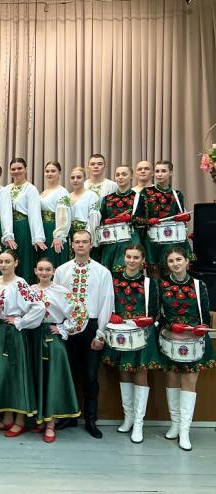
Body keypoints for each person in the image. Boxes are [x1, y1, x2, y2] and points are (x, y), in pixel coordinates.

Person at [54, 230, 114, 438]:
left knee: (90, 375)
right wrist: (60, 326)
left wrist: (100, 333)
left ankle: (90, 420)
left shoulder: (102, 272)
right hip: (68, 326)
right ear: (72, 245)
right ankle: (68, 416)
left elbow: (107, 303)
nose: (81, 245)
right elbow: (56, 300)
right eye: (77, 242)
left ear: (91, 244)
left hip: (91, 326)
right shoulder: (62, 271)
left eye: (84, 242)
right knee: (68, 373)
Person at [102, 244, 160, 444]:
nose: (131, 261)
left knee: (140, 374)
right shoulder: (113, 279)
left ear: (143, 260)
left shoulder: (149, 283)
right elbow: (107, 303)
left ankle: (138, 423)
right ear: (123, 257)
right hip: (120, 332)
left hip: (142, 334)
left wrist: (147, 320)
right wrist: (112, 315)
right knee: (124, 372)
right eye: (128, 257)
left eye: (136, 257)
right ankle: (128, 417)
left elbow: (154, 311)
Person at [158, 246, 213, 451]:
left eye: (179, 259)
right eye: (171, 261)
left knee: (189, 383)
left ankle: (185, 430)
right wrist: (170, 325)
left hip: (193, 340)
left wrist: (201, 328)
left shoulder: (199, 285)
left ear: (187, 261)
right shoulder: (161, 284)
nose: (175, 264)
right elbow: (158, 313)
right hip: (170, 337)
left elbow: (205, 315)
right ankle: (174, 424)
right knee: (172, 380)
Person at [0, 250, 46, 437]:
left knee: (16, 375)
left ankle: (20, 420)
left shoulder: (20, 283)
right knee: (3, 374)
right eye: (0, 261)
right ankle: (7, 418)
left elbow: (38, 306)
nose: (3, 265)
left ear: (16, 263)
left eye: (7, 261)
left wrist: (20, 322)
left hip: (14, 334)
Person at [31, 258, 85, 443]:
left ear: (53, 271)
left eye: (48, 269)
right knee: (38, 377)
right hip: (33, 338)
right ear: (35, 271)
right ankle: (41, 418)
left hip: (52, 339)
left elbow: (81, 313)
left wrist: (63, 328)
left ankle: (51, 424)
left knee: (52, 380)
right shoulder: (30, 290)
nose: (44, 273)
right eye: (40, 269)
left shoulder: (61, 291)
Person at [135, 160, 193, 278]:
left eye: (163, 171)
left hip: (174, 242)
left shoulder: (177, 194)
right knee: (155, 279)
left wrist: (185, 217)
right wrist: (148, 221)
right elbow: (135, 219)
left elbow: (182, 218)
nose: (159, 174)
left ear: (170, 173)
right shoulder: (145, 193)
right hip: (153, 243)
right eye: (157, 171)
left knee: (175, 277)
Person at [7, 158, 46, 282]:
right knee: (9, 261)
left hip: (24, 228)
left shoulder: (30, 189)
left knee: (23, 260)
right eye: (13, 169)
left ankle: (25, 289)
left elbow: (35, 214)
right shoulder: (6, 189)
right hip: (9, 228)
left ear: (26, 169)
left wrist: (37, 237)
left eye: (19, 168)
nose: (16, 171)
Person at [96, 165, 141, 272]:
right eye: (118, 175)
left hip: (130, 239)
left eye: (124, 174)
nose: (120, 177)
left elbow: (144, 219)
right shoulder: (107, 198)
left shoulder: (139, 197)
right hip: (110, 240)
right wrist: (108, 221)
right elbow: (101, 219)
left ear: (131, 176)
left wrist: (131, 218)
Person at [39, 161, 71, 268]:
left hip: (53, 229)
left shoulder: (62, 192)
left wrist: (59, 236)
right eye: (47, 171)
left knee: (53, 261)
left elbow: (64, 215)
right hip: (43, 230)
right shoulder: (44, 192)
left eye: (53, 171)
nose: (49, 174)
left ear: (59, 173)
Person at [68, 167, 101, 248]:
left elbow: (94, 219)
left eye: (79, 177)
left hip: (85, 233)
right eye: (72, 178)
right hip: (70, 235)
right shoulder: (67, 197)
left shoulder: (92, 195)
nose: (75, 180)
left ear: (85, 179)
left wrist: (90, 238)